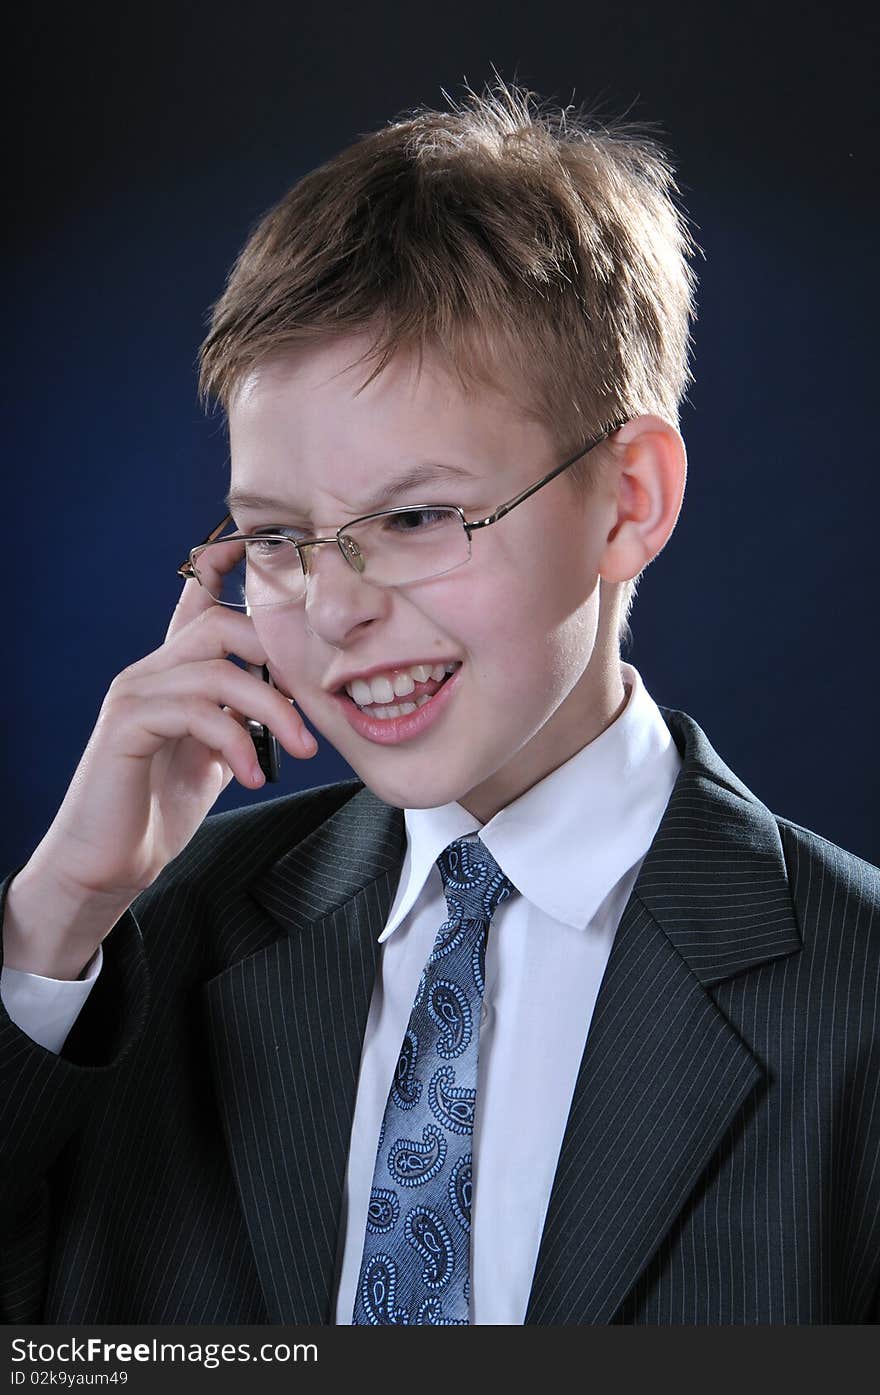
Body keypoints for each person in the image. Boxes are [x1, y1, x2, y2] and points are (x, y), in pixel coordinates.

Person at [1, 80, 877, 1327]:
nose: (336, 609)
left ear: (628, 500)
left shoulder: (857, 1001)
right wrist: (53, 923)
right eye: (279, 538)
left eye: (415, 519)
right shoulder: (136, 955)